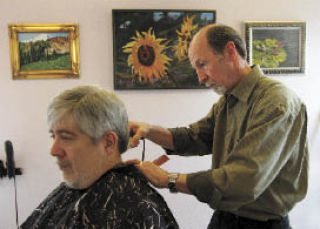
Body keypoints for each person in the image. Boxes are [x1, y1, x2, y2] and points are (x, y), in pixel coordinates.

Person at [128, 24, 308, 229]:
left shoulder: (276, 103)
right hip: (225, 219)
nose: (200, 77)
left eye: (202, 64)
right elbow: (195, 137)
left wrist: (169, 179)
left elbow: (242, 181)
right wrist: (149, 131)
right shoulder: (228, 101)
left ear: (230, 51)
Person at [21, 85, 179, 229]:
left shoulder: (137, 206)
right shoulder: (70, 192)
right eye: (53, 136)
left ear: (109, 143)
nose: (54, 150)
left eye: (66, 137)